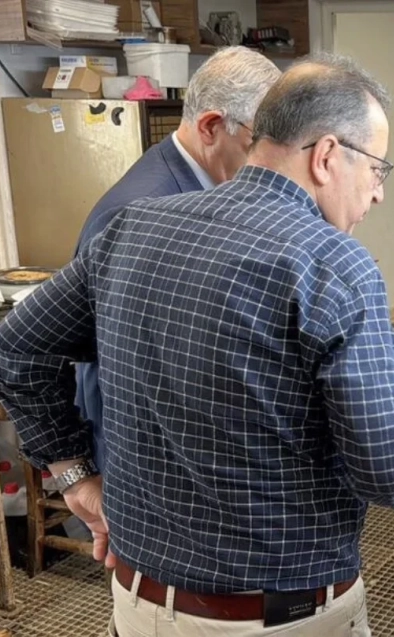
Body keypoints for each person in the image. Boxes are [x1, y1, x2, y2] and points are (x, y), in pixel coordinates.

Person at [0, 52, 394, 637]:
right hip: (279, 620)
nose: (378, 194)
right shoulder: (335, 264)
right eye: (378, 170)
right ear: (328, 156)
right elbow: (389, 472)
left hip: (138, 606)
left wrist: (73, 475)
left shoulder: (134, 226)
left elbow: (14, 349)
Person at [74, 46, 280, 471]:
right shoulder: (136, 212)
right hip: (146, 463)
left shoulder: (208, 187)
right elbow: (102, 361)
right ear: (211, 127)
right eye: (258, 144)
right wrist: (79, 475)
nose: (270, 164)